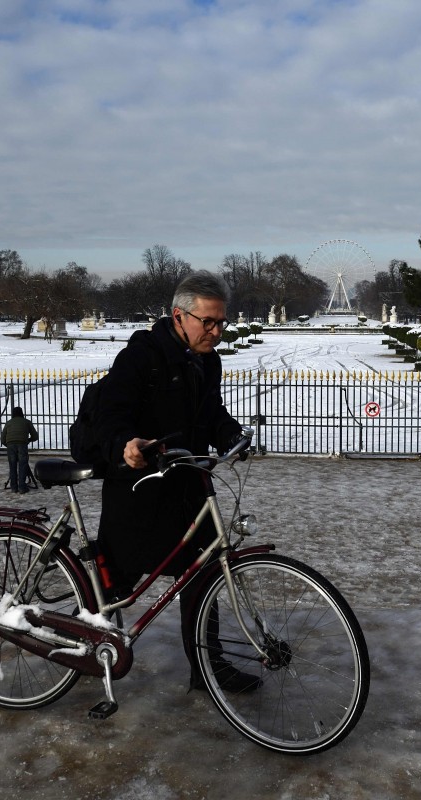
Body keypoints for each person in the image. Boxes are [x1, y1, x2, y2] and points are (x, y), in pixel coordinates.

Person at [93, 270, 257, 694]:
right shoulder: (141, 356)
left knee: (203, 577)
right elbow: (110, 411)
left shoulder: (208, 359)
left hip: (189, 485)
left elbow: (211, 414)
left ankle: (209, 666)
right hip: (140, 490)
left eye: (223, 322)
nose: (217, 332)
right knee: (116, 584)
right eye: (209, 322)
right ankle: (84, 648)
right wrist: (123, 444)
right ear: (178, 316)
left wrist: (231, 434)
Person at [1, 406, 38, 493]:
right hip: (22, 444)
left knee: (12, 466)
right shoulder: (27, 422)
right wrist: (28, 440)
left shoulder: (8, 423)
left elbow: (2, 438)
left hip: (10, 445)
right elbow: (35, 436)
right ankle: (22, 487)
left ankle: (14, 487)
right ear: (22, 413)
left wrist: (8, 445)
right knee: (22, 465)